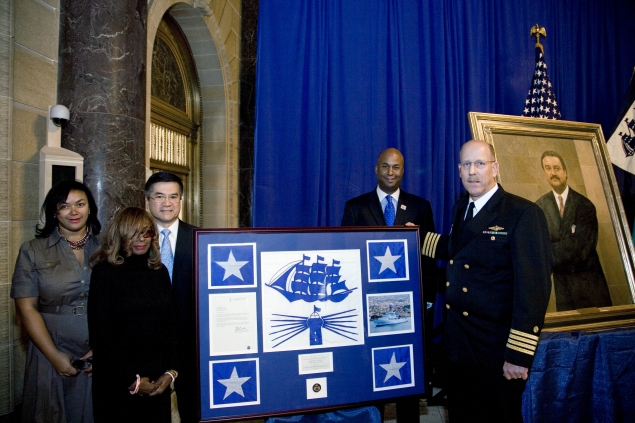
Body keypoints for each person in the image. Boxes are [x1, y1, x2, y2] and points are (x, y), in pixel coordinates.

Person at [420, 140, 552, 423]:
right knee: (464, 415)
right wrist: (415, 239)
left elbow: (534, 289)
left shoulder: (522, 214)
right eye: (466, 165)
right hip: (459, 343)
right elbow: (457, 247)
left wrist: (518, 354)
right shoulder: (462, 207)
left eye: (480, 164)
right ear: (458, 170)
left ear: (495, 168)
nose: (472, 172)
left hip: (494, 348)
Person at [341, 147, 437, 422]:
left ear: (403, 171)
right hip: (369, 306)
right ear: (376, 169)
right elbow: (347, 258)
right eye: (385, 166)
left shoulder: (421, 207)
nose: (391, 172)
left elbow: (429, 257)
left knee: (407, 371)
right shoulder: (356, 207)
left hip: (407, 306)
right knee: (374, 374)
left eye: (396, 167)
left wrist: (427, 298)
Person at [11, 180, 101, 423]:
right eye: (64, 206)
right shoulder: (33, 250)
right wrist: (53, 355)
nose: (73, 212)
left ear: (90, 208)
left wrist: (103, 349)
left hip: (99, 352)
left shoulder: (107, 247)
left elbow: (121, 304)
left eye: (80, 204)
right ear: (54, 211)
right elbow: (26, 308)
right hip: (50, 349)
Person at [88, 207, 177, 423]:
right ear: (120, 235)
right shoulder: (104, 273)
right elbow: (101, 335)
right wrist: (133, 381)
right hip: (117, 381)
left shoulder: (160, 271)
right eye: (133, 233)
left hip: (157, 378)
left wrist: (170, 373)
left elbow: (171, 326)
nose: (141, 239)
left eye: (147, 232)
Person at [144, 171, 198, 422]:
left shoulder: (200, 238)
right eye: (159, 196)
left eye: (173, 197)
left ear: (181, 200)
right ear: (147, 200)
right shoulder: (134, 241)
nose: (167, 203)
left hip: (191, 344)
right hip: (148, 345)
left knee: (192, 409)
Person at [535, 150, 612, 311]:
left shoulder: (585, 205)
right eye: (548, 168)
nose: (553, 173)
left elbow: (581, 249)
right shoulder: (539, 207)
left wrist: (548, 252)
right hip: (563, 289)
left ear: (565, 172)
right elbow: (537, 245)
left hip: (589, 285)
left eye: (556, 168)